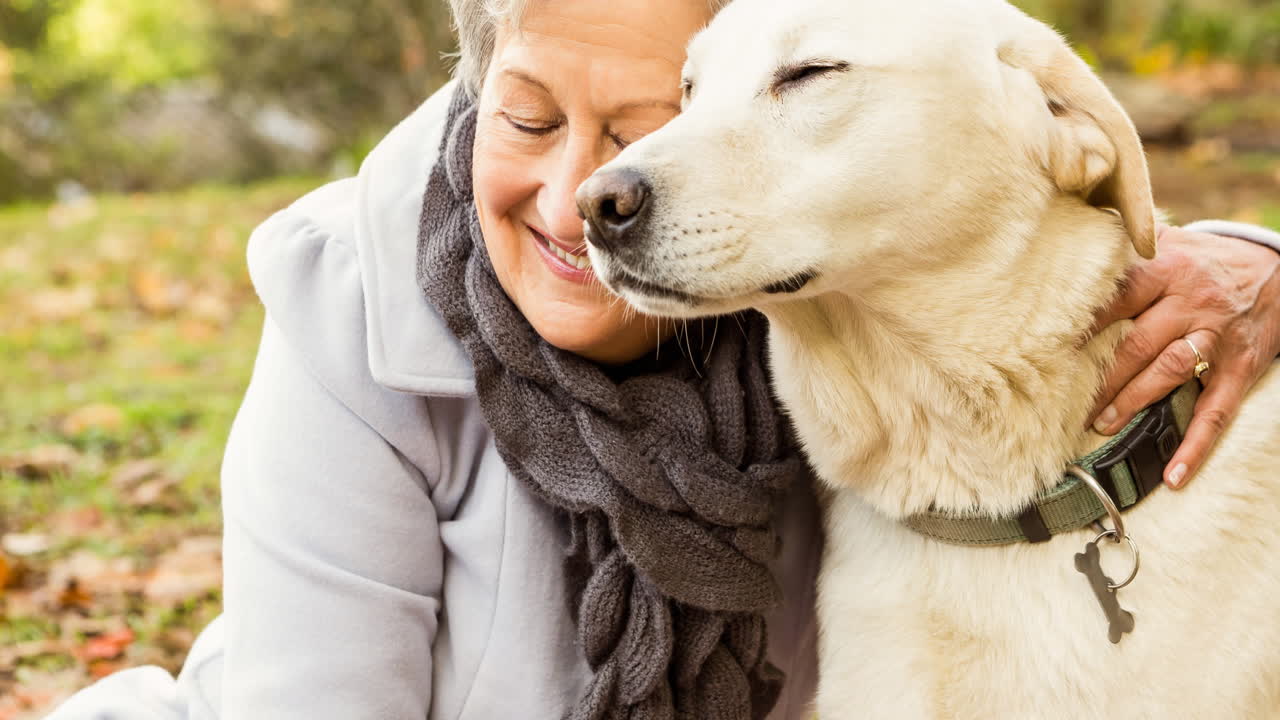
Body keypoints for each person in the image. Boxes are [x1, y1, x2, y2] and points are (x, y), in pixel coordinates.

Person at [47, 0, 1280, 717]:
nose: (592, 192)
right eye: (526, 118)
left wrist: (1246, 256)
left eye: (649, 124)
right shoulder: (347, 297)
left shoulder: (802, 298)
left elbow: (964, 230)